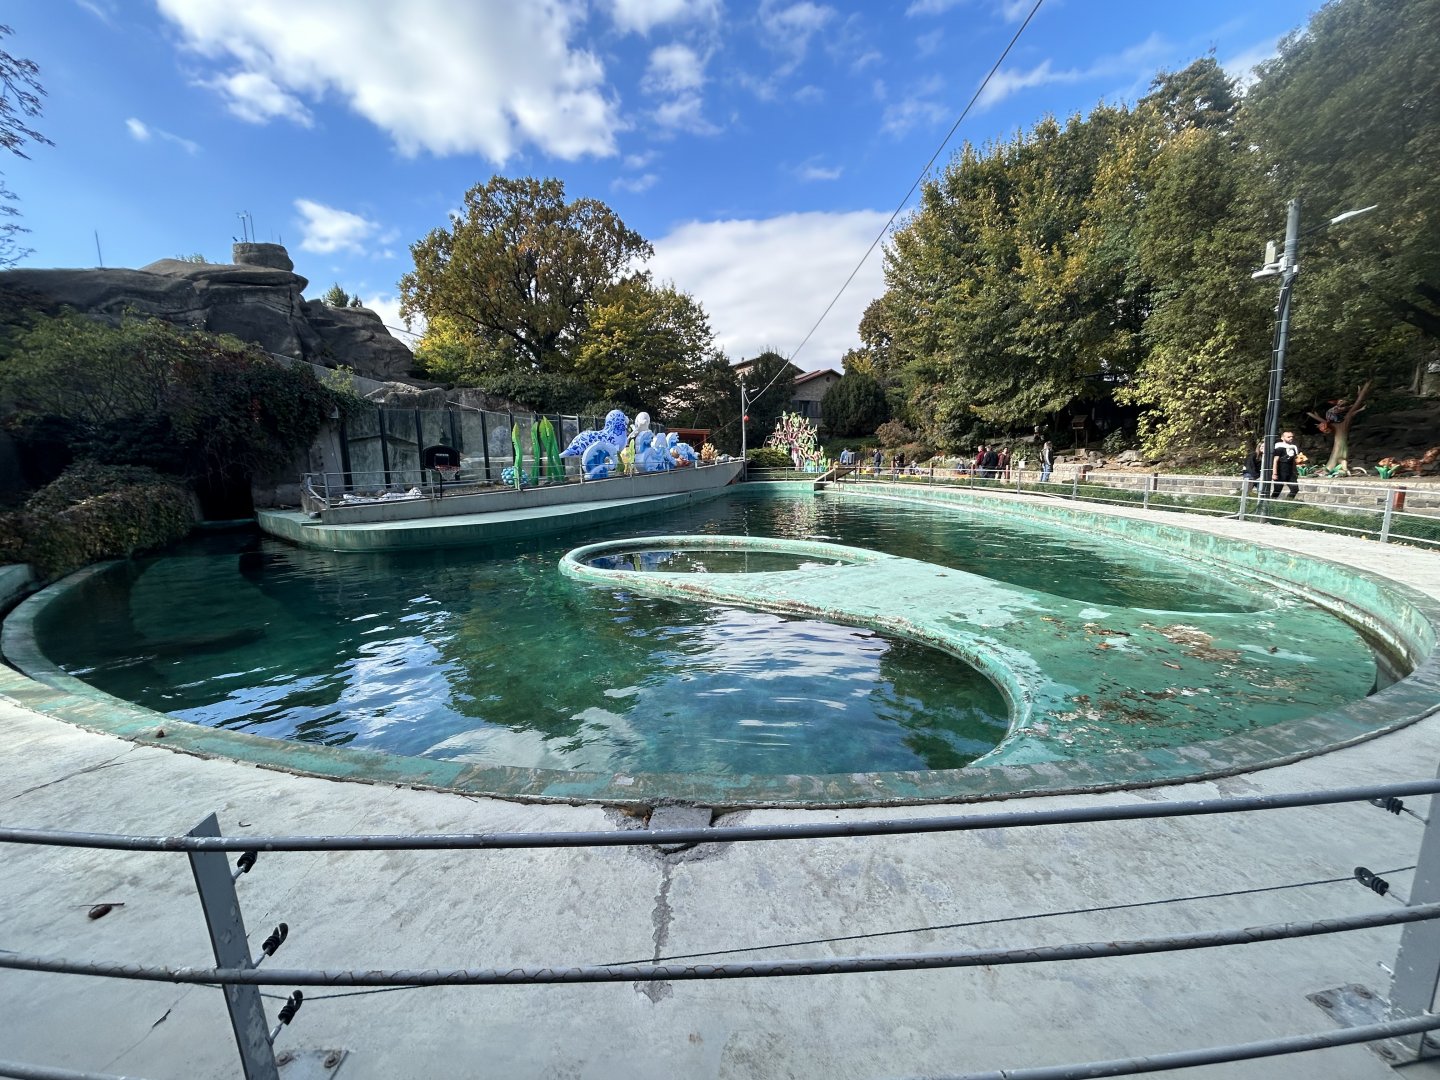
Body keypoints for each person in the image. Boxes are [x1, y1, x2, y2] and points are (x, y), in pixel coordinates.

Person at [1268, 431, 1300, 499]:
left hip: (1290, 472)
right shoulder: (1279, 448)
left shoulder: (1293, 448)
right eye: (1288, 437)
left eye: (1292, 437)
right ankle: (1270, 503)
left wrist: (1295, 471)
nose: (1291, 438)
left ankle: (1287, 503)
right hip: (1280, 472)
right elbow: (1275, 461)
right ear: (1282, 438)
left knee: (1295, 489)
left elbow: (1293, 461)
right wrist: (1274, 473)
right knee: (1277, 490)